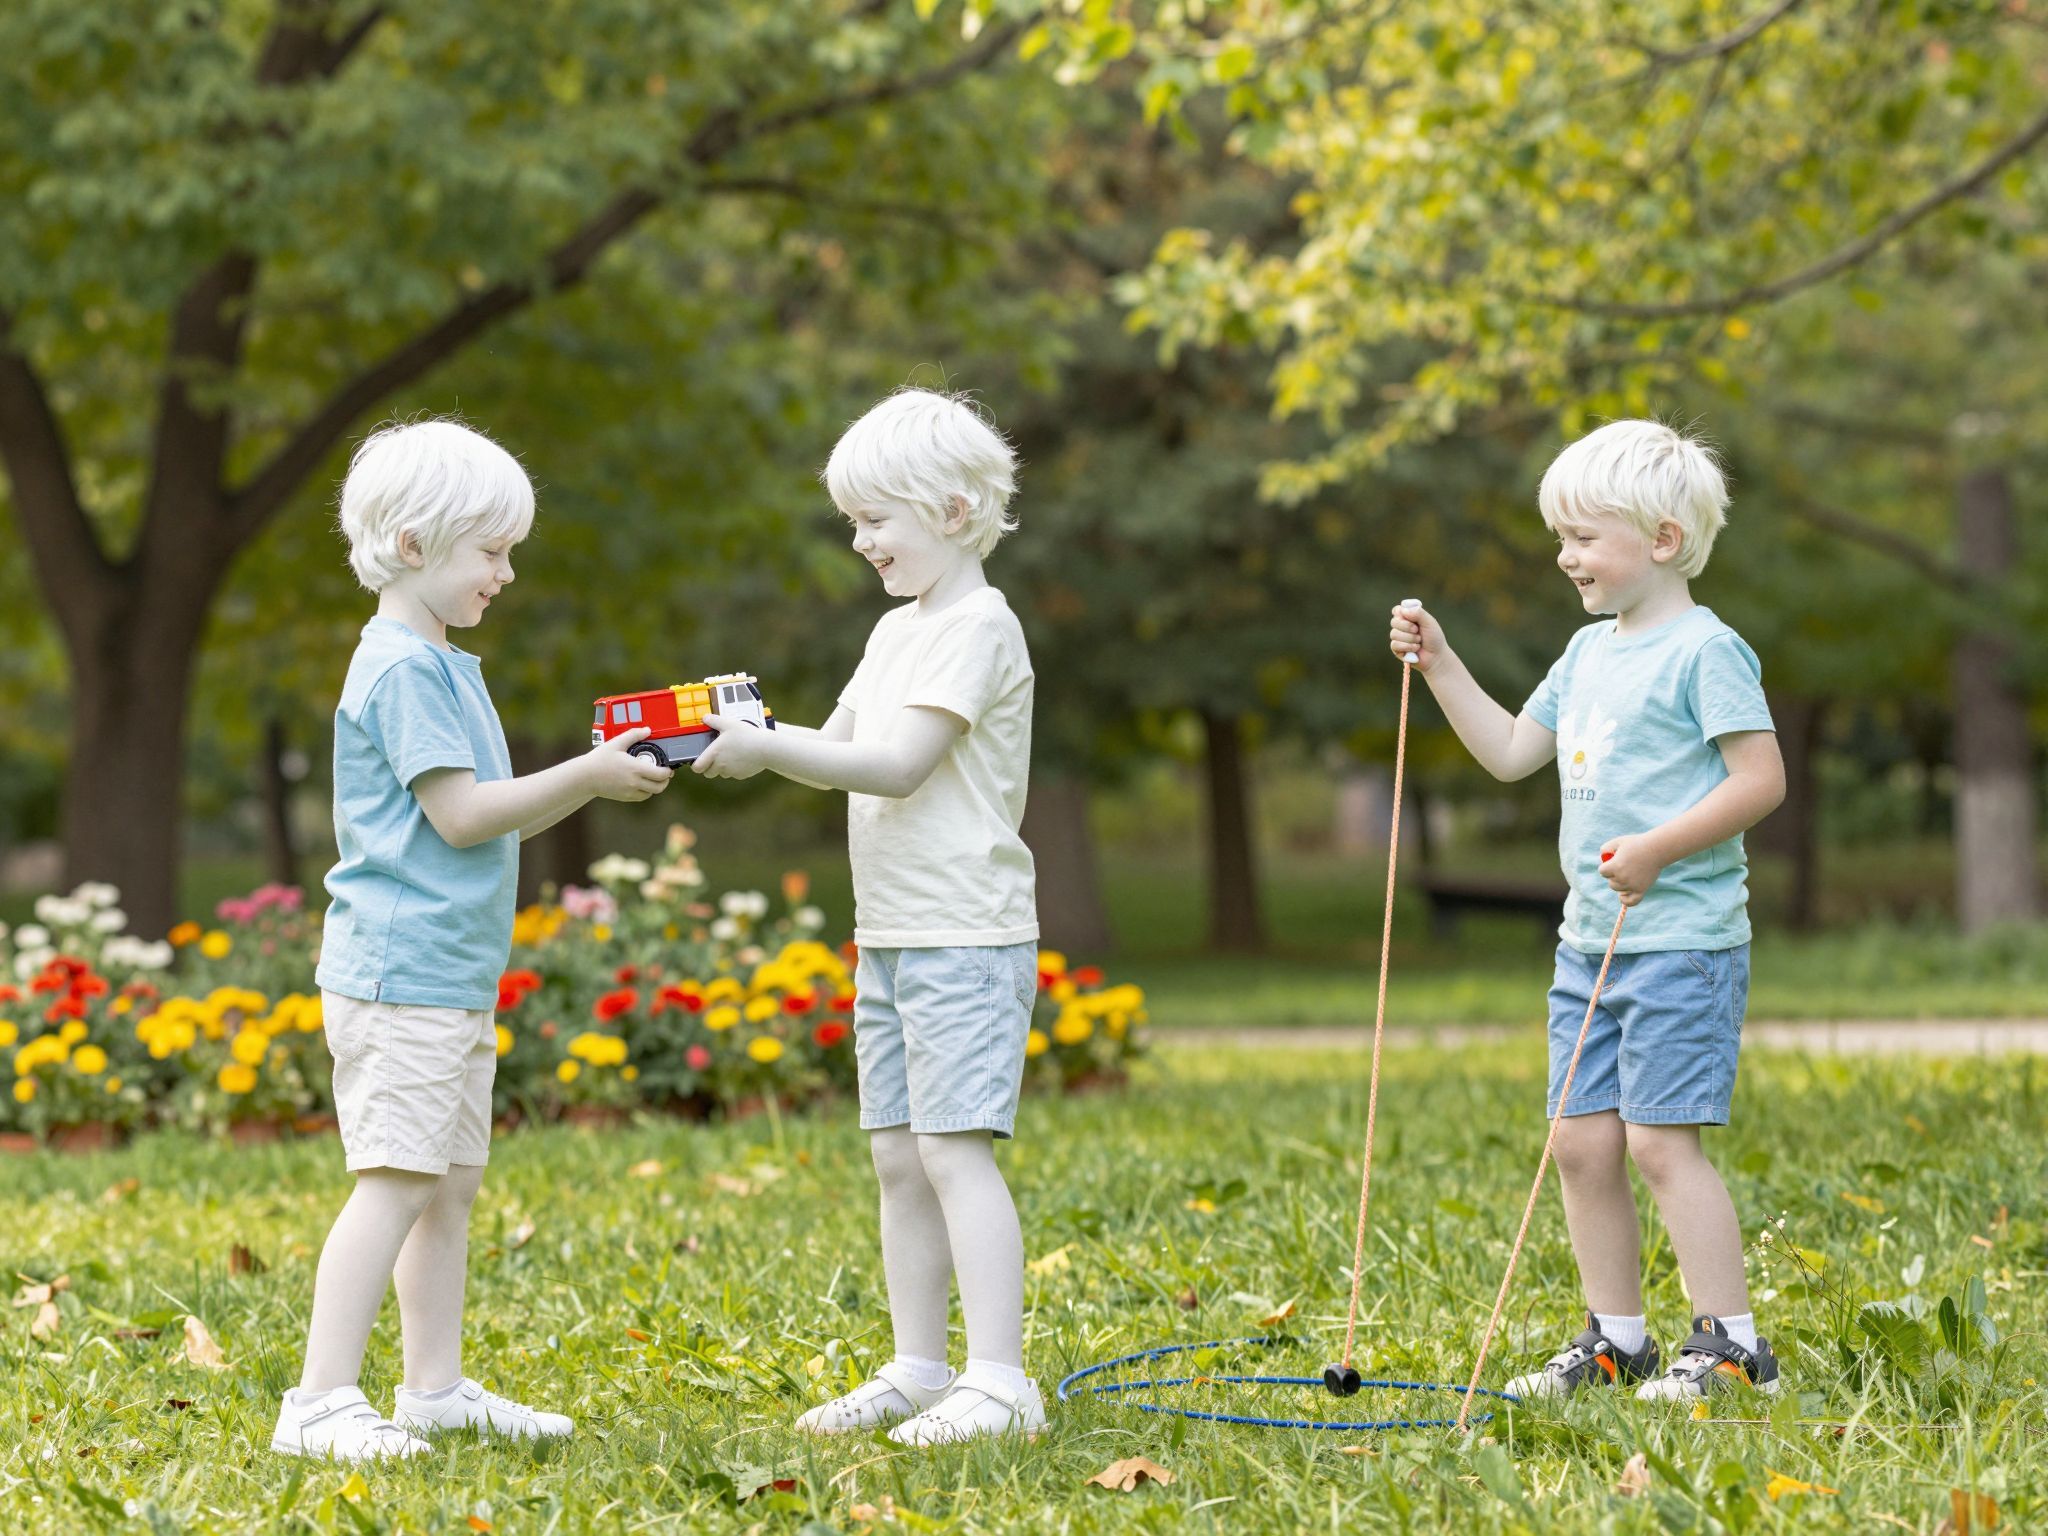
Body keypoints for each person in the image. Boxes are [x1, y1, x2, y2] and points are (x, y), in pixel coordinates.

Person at [271, 419, 672, 1461]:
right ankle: (318, 1401)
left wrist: (589, 770)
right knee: (397, 1179)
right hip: (400, 974)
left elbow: (482, 808)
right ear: (411, 545)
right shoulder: (400, 669)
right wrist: (586, 775)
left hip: (445, 974)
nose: (506, 572)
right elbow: (460, 816)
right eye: (489, 551)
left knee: (445, 1185)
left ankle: (434, 1388)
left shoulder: (444, 665)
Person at [1389, 419, 1787, 1401]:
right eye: (1557, 538)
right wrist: (1440, 664)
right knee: (1578, 1139)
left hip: (1679, 946)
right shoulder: (1582, 653)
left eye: (1582, 537)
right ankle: (1615, 1339)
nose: (1564, 556)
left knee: (1658, 1142)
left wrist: (1659, 847)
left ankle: (1731, 1346)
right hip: (1587, 947)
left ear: (1659, 539)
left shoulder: (1707, 651)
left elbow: (1760, 780)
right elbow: (1510, 752)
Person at [693, 387, 1044, 1443]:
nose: (861, 542)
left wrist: (764, 747)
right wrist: (747, 728)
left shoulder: (978, 628)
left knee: (953, 1153)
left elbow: (893, 767)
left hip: (966, 931)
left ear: (947, 509)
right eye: (852, 521)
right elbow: (836, 740)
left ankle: (999, 1379)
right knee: (898, 1156)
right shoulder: (897, 631)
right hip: (891, 932)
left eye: (874, 520)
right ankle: (918, 1366)